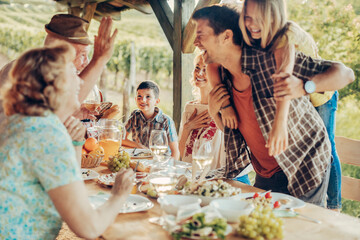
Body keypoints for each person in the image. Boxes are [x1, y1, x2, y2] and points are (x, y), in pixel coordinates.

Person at [192, 5, 354, 206]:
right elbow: (230, 129)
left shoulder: (271, 61)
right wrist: (216, 109)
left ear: (226, 36)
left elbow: (346, 74)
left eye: (201, 34)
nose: (195, 42)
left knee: (298, 231)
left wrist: (304, 86)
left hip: (304, 165)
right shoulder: (222, 77)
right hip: (265, 172)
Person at [0, 44, 134, 239]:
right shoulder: (47, 135)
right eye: (72, 72)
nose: (80, 81)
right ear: (55, 85)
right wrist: (119, 194)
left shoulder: (25, 122)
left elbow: (70, 185)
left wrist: (76, 143)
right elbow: (89, 228)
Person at [240, 0, 342, 210]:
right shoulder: (257, 37)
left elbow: (283, 78)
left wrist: (280, 123)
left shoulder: (285, 33)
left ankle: (334, 203)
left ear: (273, 16)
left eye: (259, 18)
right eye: (248, 17)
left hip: (320, 92)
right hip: (300, 95)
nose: (252, 24)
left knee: (326, 145)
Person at [0, 14, 117, 122]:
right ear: (58, 51)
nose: (86, 63)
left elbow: (48, 115)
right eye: (82, 55)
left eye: (88, 55)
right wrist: (99, 60)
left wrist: (71, 115)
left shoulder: (40, 71)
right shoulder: (25, 72)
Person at [179, 53, 251, 184]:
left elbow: (236, 140)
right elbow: (180, 153)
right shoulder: (189, 108)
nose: (199, 73)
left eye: (205, 69)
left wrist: (215, 113)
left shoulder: (228, 106)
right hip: (196, 178)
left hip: (228, 179)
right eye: (197, 68)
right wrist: (187, 128)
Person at [123, 80, 180, 160]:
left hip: (161, 162)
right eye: (139, 96)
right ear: (135, 99)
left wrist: (170, 168)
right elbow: (121, 138)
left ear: (157, 101)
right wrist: (139, 146)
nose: (143, 100)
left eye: (148, 97)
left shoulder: (166, 121)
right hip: (140, 160)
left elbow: (175, 152)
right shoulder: (135, 116)